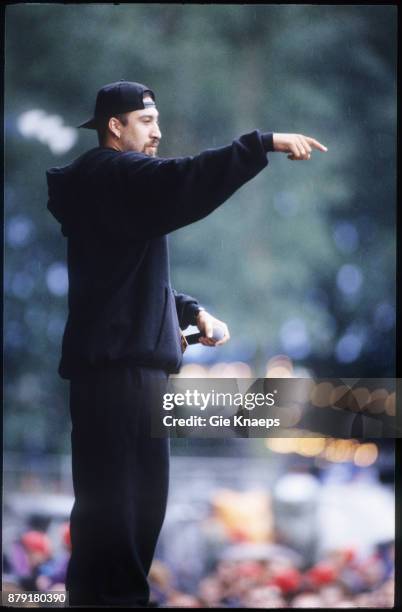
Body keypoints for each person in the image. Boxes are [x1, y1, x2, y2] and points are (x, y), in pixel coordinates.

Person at [46, 80, 327, 607]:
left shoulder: (109, 188)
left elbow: (122, 277)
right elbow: (187, 179)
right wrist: (260, 143)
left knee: (131, 524)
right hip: (120, 380)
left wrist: (187, 310)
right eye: (147, 122)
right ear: (116, 125)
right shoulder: (113, 172)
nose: (158, 133)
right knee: (121, 529)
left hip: (125, 379)